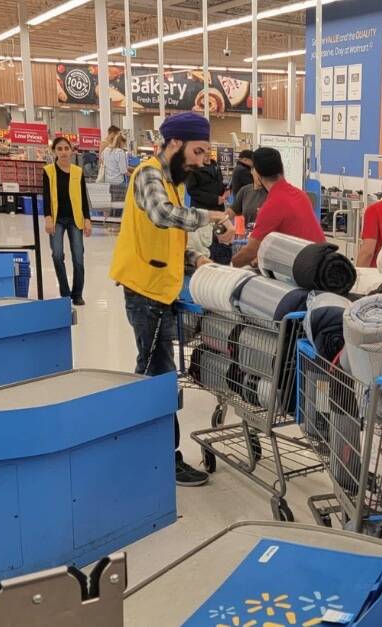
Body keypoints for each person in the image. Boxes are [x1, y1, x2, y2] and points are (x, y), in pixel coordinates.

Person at [109, 112, 235, 487]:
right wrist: (213, 217)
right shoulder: (149, 173)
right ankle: (162, 457)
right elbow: (162, 216)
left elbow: (167, 238)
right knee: (157, 377)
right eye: (197, 151)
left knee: (152, 373)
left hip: (161, 291)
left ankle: (138, 446)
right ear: (175, 143)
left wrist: (197, 259)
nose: (200, 160)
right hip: (145, 292)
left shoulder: (175, 182)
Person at [231, 147, 325, 268]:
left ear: (258, 173)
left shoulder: (273, 204)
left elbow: (250, 251)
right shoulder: (300, 195)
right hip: (321, 261)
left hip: (308, 269)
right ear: (282, 169)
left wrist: (229, 266)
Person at [43, 137, 92, 306]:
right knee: (57, 255)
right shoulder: (48, 171)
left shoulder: (78, 172)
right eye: (60, 149)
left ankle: (77, 294)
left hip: (75, 219)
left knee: (78, 257)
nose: (63, 152)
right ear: (54, 151)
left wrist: (87, 219)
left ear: (71, 151)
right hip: (56, 219)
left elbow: (84, 198)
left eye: (66, 148)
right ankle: (65, 293)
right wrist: (48, 217)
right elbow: (47, 196)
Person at [186, 154, 231, 264]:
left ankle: (220, 265)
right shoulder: (193, 168)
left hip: (218, 211)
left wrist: (226, 190)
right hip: (203, 212)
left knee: (220, 239)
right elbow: (192, 191)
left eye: (209, 149)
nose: (207, 153)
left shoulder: (215, 166)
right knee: (204, 244)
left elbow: (218, 184)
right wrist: (215, 199)